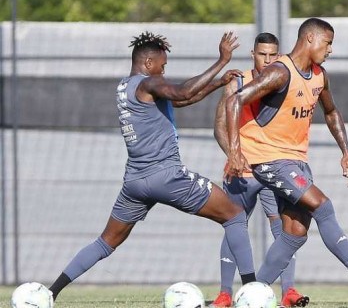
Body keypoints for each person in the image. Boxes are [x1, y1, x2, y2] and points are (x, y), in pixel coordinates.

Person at [48, 31, 256, 300]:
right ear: (148, 63)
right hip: (167, 176)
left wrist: (218, 83)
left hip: (135, 182)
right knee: (235, 215)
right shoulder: (148, 84)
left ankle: (51, 293)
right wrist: (221, 61)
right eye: (162, 65)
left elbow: (182, 99)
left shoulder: (126, 87)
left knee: (105, 242)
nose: (163, 71)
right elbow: (182, 91)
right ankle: (253, 292)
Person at [224, 18, 348, 299]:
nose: (330, 50)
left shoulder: (320, 75)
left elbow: (332, 112)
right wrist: (235, 150)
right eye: (328, 43)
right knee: (322, 206)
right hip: (270, 160)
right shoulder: (279, 72)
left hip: (297, 160)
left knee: (296, 232)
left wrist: (346, 152)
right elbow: (234, 100)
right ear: (310, 39)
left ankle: (251, 295)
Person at [211, 33, 309, 308]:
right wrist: (234, 154)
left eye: (273, 55)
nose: (267, 60)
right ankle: (225, 294)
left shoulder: (283, 80)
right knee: (234, 226)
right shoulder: (237, 81)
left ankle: (288, 291)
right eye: (262, 54)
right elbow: (219, 124)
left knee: (284, 227)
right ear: (253, 54)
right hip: (242, 169)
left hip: (275, 167)